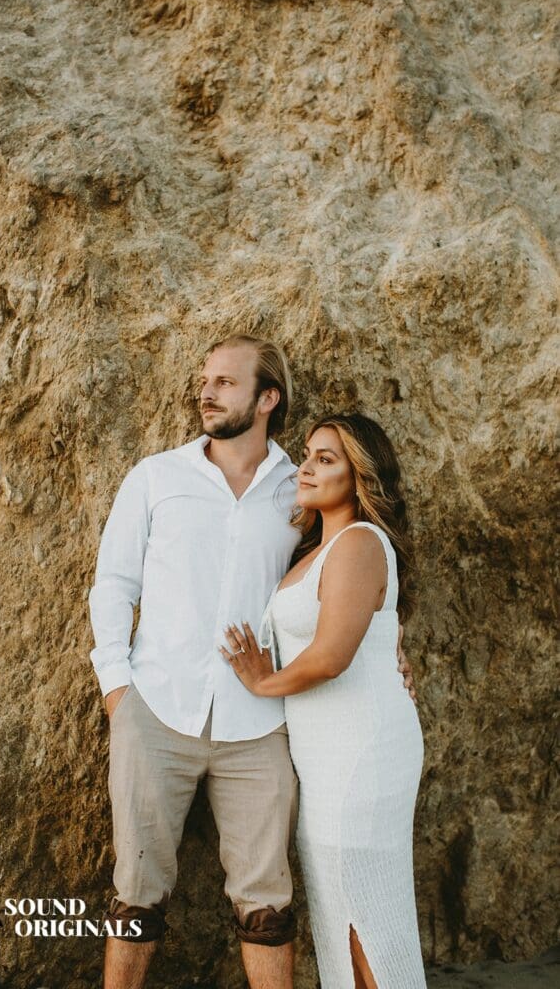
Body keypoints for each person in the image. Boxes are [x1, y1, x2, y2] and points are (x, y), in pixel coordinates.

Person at [88, 335, 414, 989]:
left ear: (268, 398)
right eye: (205, 380)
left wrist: (387, 641)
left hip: (260, 725)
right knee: (135, 890)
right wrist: (117, 689)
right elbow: (112, 584)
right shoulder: (156, 477)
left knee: (267, 902)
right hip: (156, 712)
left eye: (225, 383)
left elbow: (341, 570)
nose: (205, 392)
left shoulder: (298, 487)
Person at [220, 413, 426, 989]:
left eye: (326, 458)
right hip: (326, 757)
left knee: (365, 914)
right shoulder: (316, 551)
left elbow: (332, 654)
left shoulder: (359, 542)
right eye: (307, 455)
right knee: (340, 913)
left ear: (360, 476)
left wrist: (262, 682)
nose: (306, 467)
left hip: (362, 753)